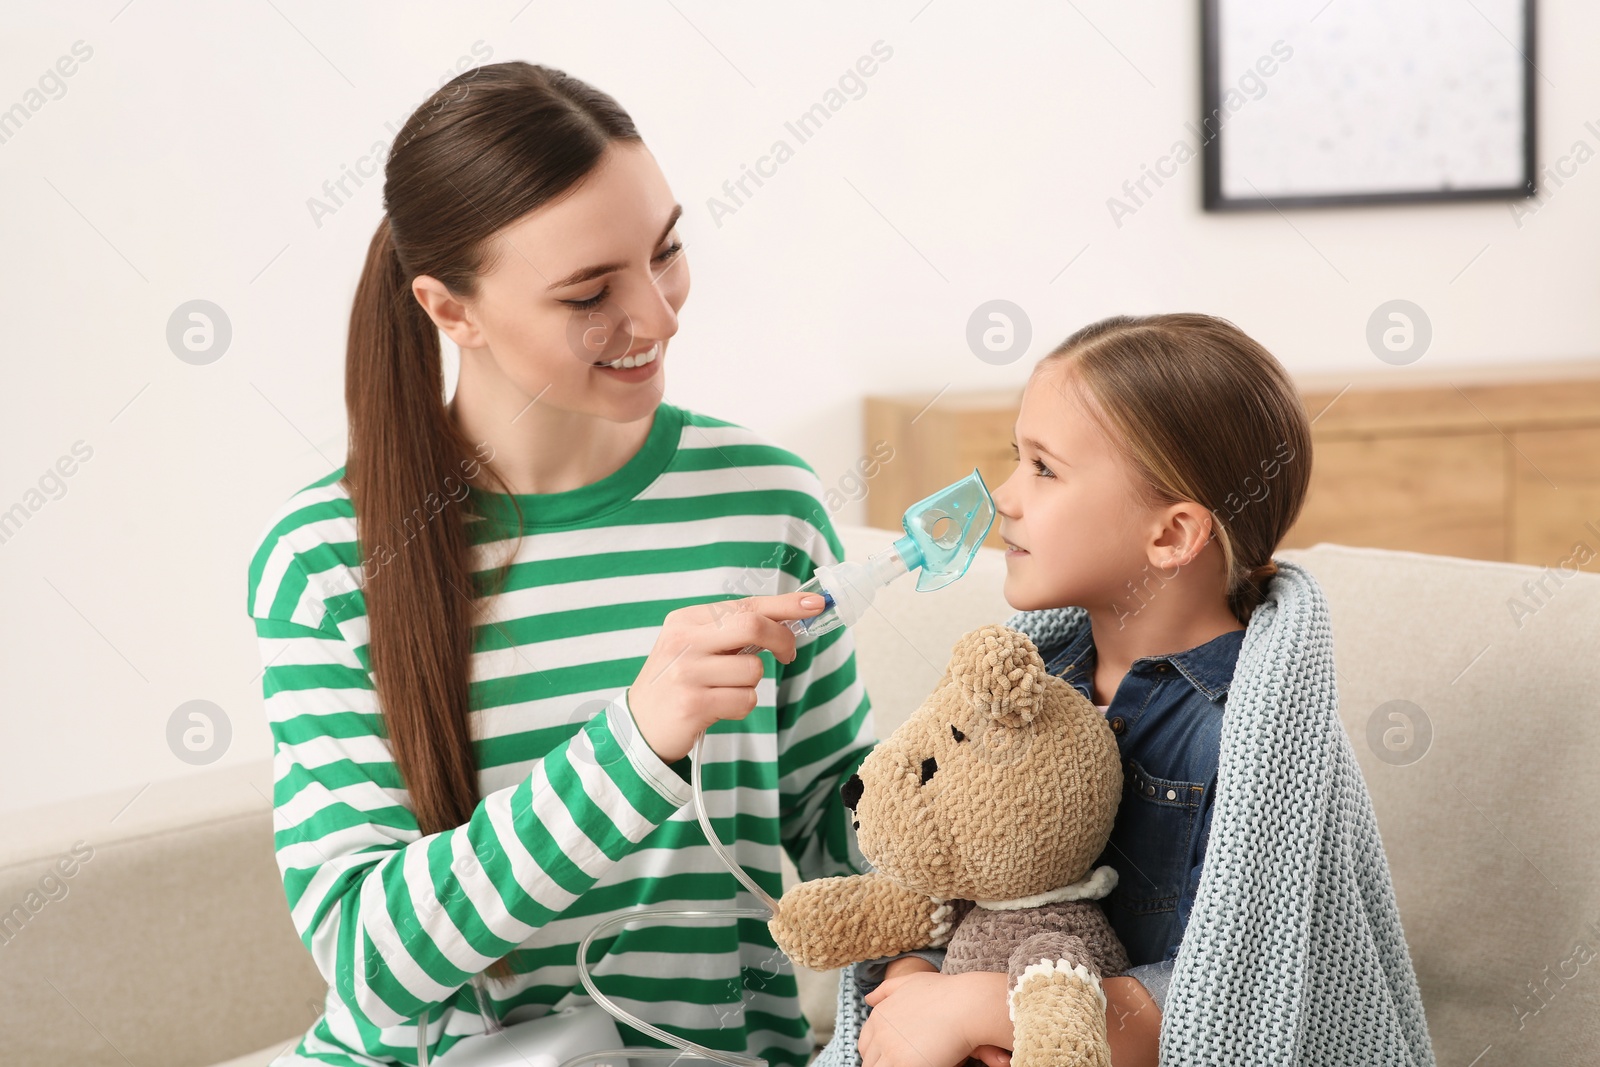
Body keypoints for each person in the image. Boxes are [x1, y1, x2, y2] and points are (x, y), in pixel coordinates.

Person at [245, 61, 877, 1066]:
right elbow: (369, 953)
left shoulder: (768, 501)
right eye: (590, 291)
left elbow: (839, 836)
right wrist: (634, 742)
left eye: (665, 252)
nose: (660, 317)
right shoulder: (327, 557)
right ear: (452, 310)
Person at [853, 313, 1314, 1067]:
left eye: (1044, 468)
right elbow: (933, 870)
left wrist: (977, 1006)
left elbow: (1235, 999)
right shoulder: (1023, 681)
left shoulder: (1254, 734)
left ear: (1170, 535)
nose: (1004, 496)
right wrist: (914, 987)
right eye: (1017, 459)